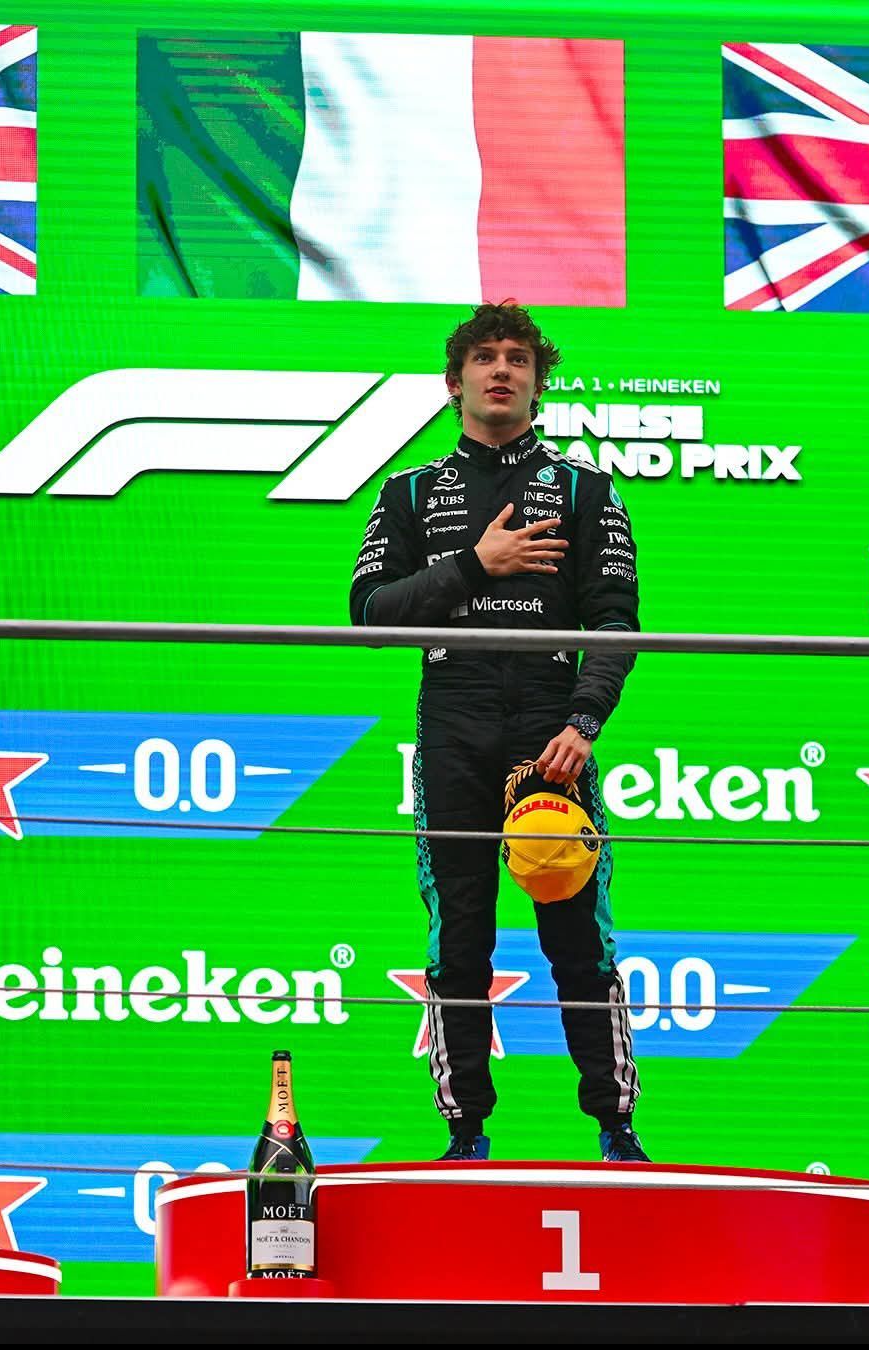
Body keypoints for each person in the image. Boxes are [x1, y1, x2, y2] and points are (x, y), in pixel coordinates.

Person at [349, 303, 646, 1163]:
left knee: (579, 932)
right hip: (454, 715)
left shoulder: (588, 489)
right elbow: (369, 615)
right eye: (485, 357)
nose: (502, 369)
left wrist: (584, 721)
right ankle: (464, 1132)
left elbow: (616, 622)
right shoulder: (407, 492)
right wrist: (477, 564)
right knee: (460, 934)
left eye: (518, 357)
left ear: (539, 383)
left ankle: (616, 1128)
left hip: (553, 724)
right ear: (456, 382)